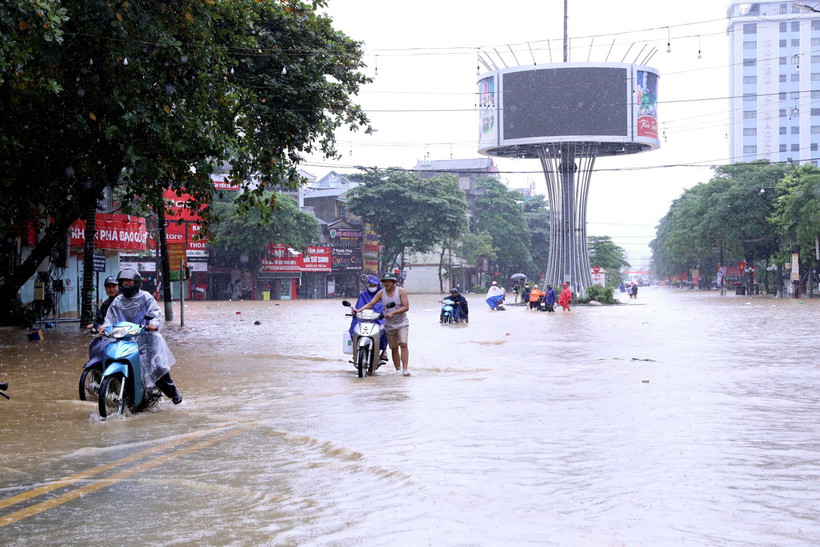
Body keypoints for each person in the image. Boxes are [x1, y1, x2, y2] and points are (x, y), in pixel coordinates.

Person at [100, 269, 183, 404]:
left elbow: (155, 313)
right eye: (123, 283)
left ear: (136, 283)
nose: (126, 285)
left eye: (129, 283)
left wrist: (153, 324)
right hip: (126, 339)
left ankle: (173, 393)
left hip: (147, 338)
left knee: (156, 368)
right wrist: (104, 327)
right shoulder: (117, 301)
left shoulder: (145, 297)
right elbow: (110, 317)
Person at [353, 273, 411, 376]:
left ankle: (405, 369)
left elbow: (406, 307)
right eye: (385, 281)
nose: (387, 283)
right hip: (389, 324)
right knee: (393, 347)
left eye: (389, 281)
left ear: (394, 282)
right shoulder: (380, 293)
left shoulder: (401, 291)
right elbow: (371, 304)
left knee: (403, 344)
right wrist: (358, 310)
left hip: (402, 323)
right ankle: (398, 369)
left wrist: (393, 312)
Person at [350, 275, 388, 362]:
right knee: (353, 328)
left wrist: (384, 315)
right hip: (363, 318)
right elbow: (359, 307)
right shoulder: (363, 295)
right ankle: (356, 350)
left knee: (384, 329)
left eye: (374, 285)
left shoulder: (382, 295)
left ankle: (384, 350)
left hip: (378, 319)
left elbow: (383, 308)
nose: (372, 287)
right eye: (370, 285)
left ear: (378, 285)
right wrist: (356, 311)